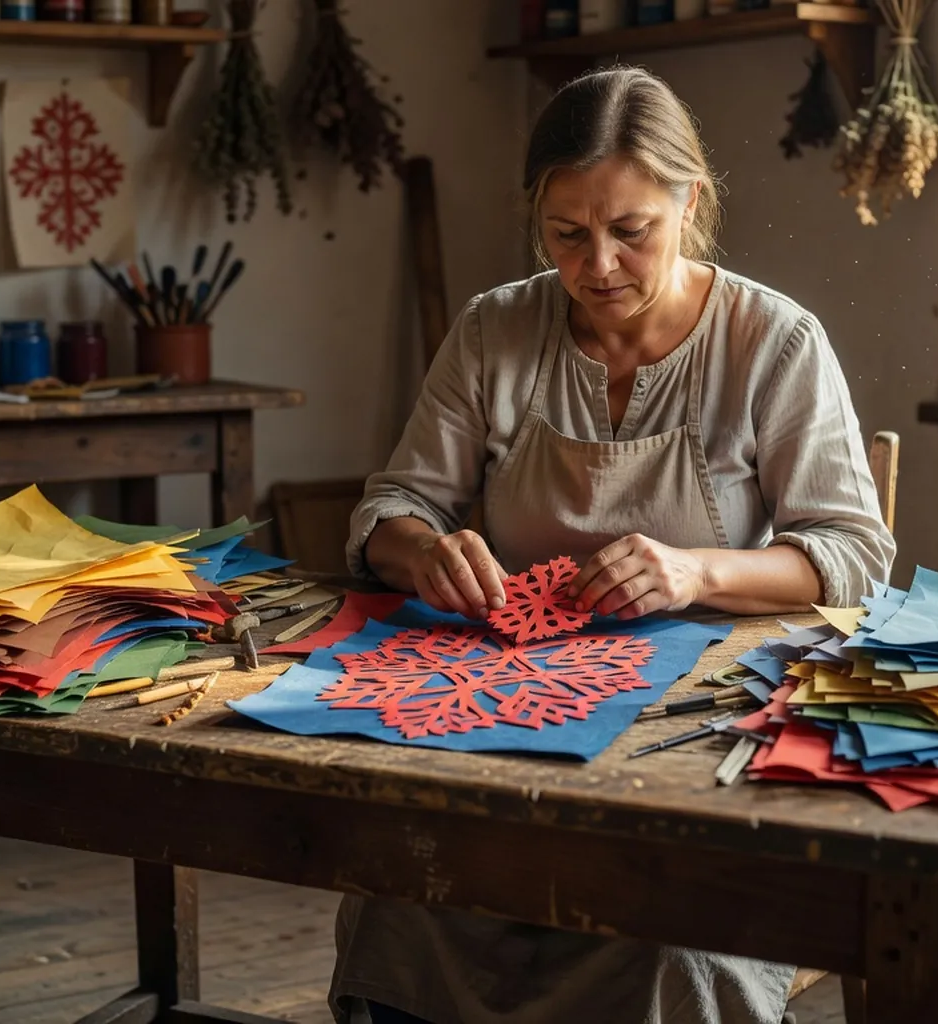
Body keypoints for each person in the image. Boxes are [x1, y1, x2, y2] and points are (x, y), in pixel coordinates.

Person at [332, 66, 895, 1024]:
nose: (598, 266)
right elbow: (392, 502)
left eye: (633, 230)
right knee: (403, 907)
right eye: (567, 233)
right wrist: (420, 549)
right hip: (502, 719)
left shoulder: (774, 342)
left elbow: (849, 551)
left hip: (700, 733)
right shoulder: (494, 328)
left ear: (691, 202)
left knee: (669, 946)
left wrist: (697, 570)